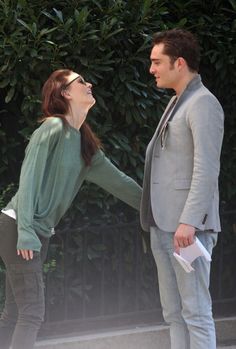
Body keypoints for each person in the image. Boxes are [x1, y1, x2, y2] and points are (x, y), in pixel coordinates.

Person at [0, 69, 142, 349]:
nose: (88, 84)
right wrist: (27, 232)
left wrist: (157, 208)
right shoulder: (53, 128)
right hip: (18, 227)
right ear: (64, 93)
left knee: (16, 313)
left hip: (34, 232)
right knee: (32, 313)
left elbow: (121, 184)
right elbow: (29, 178)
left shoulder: (85, 145)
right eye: (80, 82)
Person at [140, 29, 224, 349]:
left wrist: (188, 221)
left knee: (195, 313)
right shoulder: (177, 101)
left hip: (188, 229)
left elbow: (206, 168)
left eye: (156, 62)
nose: (152, 69)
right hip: (164, 226)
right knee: (173, 314)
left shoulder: (204, 103)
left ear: (179, 62)